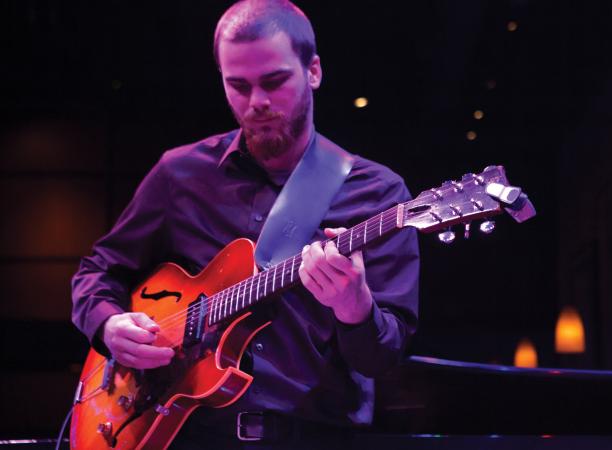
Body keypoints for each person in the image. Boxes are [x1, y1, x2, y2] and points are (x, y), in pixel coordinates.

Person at [70, 0, 420, 448]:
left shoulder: (378, 194)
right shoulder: (181, 174)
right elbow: (98, 270)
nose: (257, 103)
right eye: (238, 86)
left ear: (313, 71)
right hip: (185, 433)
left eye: (274, 82)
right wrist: (108, 326)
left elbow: (384, 357)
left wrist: (355, 308)